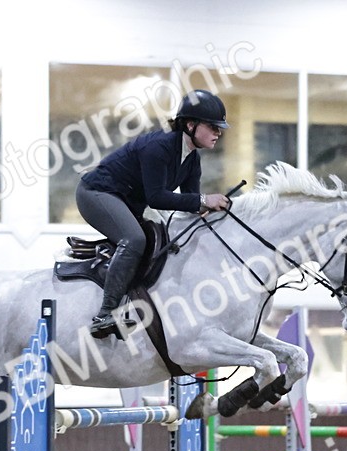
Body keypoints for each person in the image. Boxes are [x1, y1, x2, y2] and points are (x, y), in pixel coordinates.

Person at [77, 89, 233, 339]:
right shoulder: (159, 147)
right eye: (213, 127)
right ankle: (105, 314)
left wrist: (207, 212)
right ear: (190, 125)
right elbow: (157, 198)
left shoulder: (192, 159)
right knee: (134, 239)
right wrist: (204, 200)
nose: (219, 133)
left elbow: (190, 203)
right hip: (97, 193)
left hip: (126, 200)